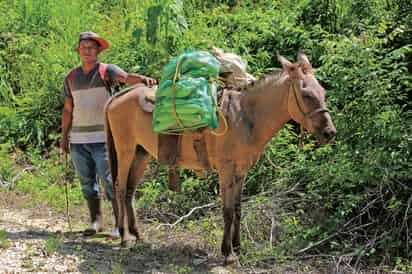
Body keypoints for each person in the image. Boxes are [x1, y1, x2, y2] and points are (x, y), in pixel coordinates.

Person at [60, 31, 156, 237]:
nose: (87, 50)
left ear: (97, 51)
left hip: (104, 137)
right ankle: (96, 221)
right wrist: (63, 138)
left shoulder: (106, 71)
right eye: (84, 47)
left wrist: (144, 80)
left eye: (91, 47)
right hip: (78, 139)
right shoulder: (71, 77)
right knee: (87, 183)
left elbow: (127, 77)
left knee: (112, 181)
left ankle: (118, 224)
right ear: (78, 50)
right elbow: (68, 109)